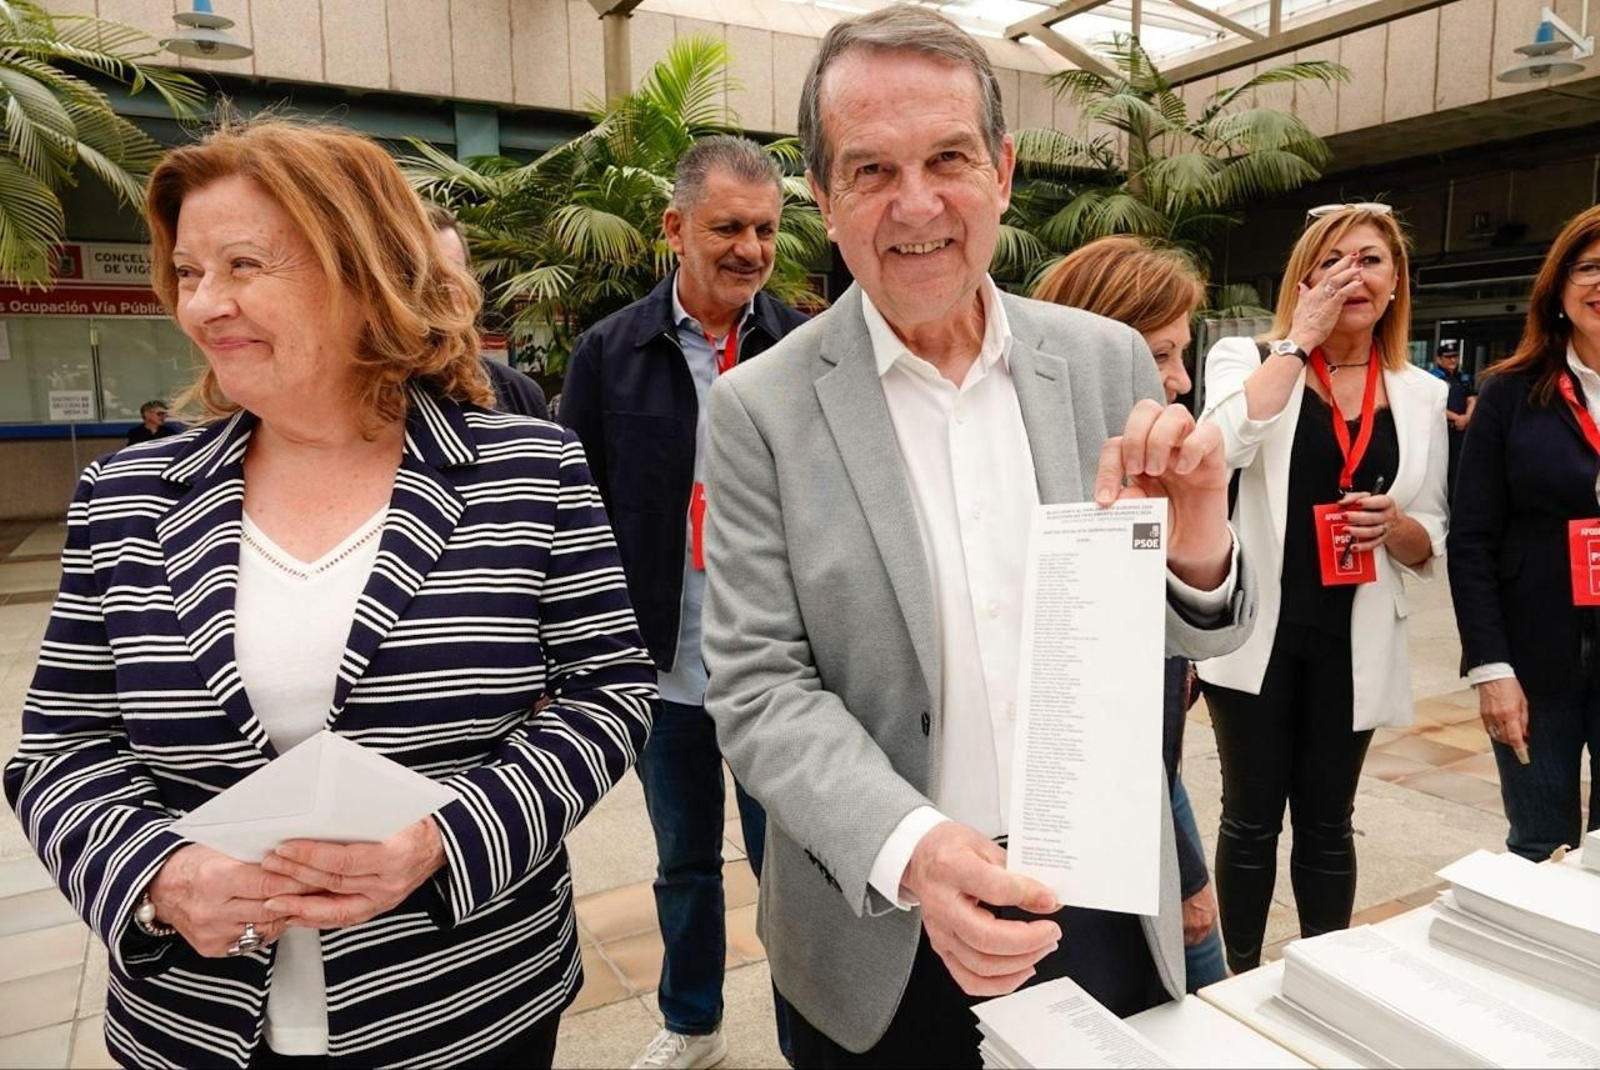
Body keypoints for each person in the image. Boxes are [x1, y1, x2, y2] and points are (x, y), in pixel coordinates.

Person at [2, 119, 656, 1069]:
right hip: (191, 1023)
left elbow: (610, 692)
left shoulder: (527, 473)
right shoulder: (127, 497)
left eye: (243, 265)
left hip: (465, 1007)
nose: (205, 305)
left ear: (365, 271)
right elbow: (63, 750)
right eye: (189, 273)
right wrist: (156, 879)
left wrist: (447, 838)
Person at [699, 9, 1257, 1066]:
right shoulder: (758, 409)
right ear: (823, 196)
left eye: (948, 158)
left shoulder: (1104, 365)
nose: (917, 204)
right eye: (871, 169)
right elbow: (757, 685)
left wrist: (1197, 541)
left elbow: (1190, 644)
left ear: (1000, 169)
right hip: (877, 922)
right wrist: (915, 851)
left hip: (1096, 894)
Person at [559, 134, 808, 1070]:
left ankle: (802, 1028)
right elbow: (571, 515)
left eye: (766, 230)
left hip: (777, 668)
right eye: (726, 227)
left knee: (793, 870)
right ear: (675, 228)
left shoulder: (801, 347)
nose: (749, 248)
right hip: (665, 668)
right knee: (685, 863)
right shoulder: (609, 353)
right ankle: (693, 1021)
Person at [1197, 204, 1448, 973]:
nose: (1355, 276)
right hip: (1260, 634)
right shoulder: (1248, 356)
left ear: (1397, 281)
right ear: (1306, 279)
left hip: (1353, 633)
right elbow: (1221, 442)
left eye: (1372, 260)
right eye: (1335, 261)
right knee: (1249, 818)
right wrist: (1298, 341)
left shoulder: (1421, 393)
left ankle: (1328, 974)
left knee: (1329, 822)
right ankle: (1237, 976)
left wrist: (1398, 528)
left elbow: (1432, 531)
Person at [1031, 235, 1225, 990]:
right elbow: (1116, 729)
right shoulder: (1080, 500)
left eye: (1182, 354)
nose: (1178, 381)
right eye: (1160, 354)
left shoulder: (1147, 476)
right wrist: (1183, 872)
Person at [1448, 203, 1600, 861]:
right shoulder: (1510, 392)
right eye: (1591, 268)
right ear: (1560, 289)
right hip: (1536, 662)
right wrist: (1491, 667)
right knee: (1541, 848)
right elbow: (1473, 540)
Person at [425, 201, 550, 420]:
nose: (444, 287)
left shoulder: (519, 396)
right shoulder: (370, 401)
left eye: (454, 270)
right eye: (428, 272)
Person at [1430, 340, 1475, 497]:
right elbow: (1432, 403)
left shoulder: (1464, 378)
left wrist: (1467, 417)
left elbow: (1472, 399)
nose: (1452, 360)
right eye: (1448, 357)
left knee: (1460, 467)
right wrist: (1457, 418)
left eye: (1455, 356)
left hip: (1462, 431)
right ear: (1439, 359)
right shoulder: (1432, 378)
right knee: (1441, 469)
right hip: (1442, 430)